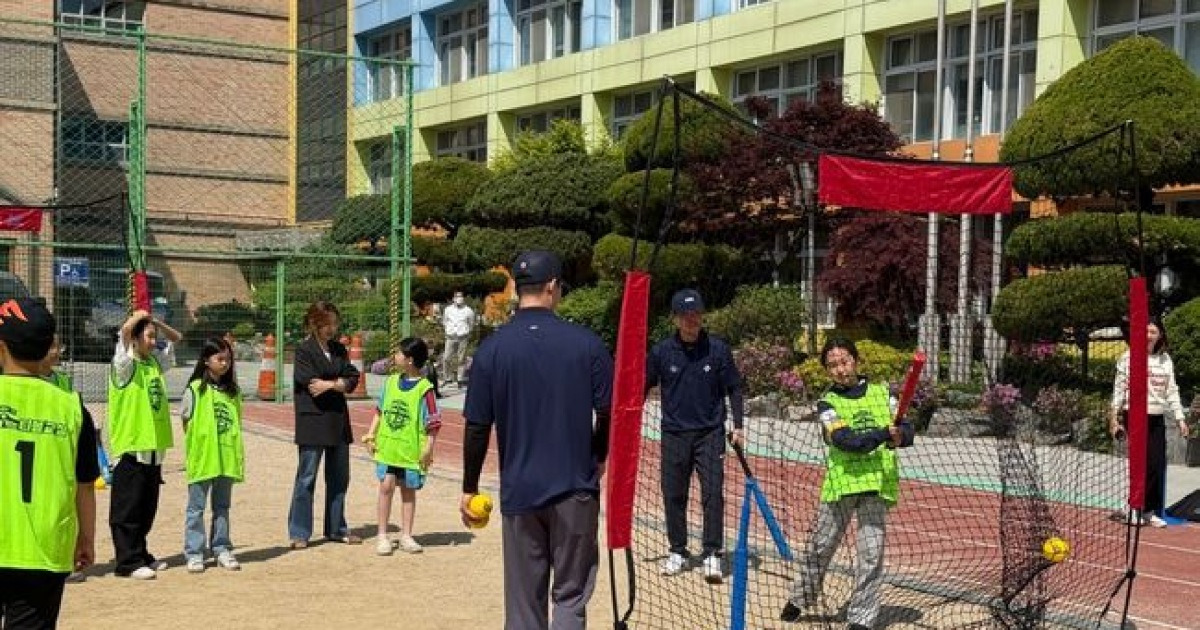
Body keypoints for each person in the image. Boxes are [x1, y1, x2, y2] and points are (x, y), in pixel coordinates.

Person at [461, 250, 613, 630]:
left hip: (520, 489)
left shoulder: (492, 349)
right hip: (575, 485)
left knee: (524, 603)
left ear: (515, 287)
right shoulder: (587, 344)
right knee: (570, 596)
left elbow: (477, 426)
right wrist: (599, 453)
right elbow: (609, 411)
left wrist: (469, 486)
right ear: (552, 287)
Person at [780, 337, 915, 629]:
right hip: (841, 486)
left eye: (844, 361)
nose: (840, 369)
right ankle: (801, 597)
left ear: (855, 360)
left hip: (876, 486)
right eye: (832, 365)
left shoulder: (883, 394)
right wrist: (883, 434)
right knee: (820, 547)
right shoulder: (827, 403)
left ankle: (861, 619)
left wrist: (900, 436)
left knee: (871, 556)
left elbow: (907, 430)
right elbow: (847, 441)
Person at [0, 298, 97, 629]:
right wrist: (86, 537)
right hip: (44, 548)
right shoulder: (71, 406)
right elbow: (85, 483)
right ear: (47, 347)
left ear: (2, 348)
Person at [645, 288, 744, 584]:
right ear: (675, 319)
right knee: (674, 494)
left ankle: (713, 554)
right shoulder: (661, 352)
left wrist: (738, 425)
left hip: (710, 433)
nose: (692, 321)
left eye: (696, 315)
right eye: (686, 316)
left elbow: (734, 388)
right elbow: (642, 385)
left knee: (713, 494)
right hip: (674, 434)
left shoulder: (718, 349)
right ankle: (678, 550)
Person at [108, 309, 182, 580]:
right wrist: (136, 318)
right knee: (127, 507)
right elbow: (124, 333)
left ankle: (140, 553)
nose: (153, 341)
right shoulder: (125, 365)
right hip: (132, 445)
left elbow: (178, 337)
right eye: (148, 337)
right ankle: (126, 561)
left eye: (154, 337)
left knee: (146, 506)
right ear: (135, 340)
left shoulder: (154, 363)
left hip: (154, 446)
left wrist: (157, 322)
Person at [288, 300, 362, 548]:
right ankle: (299, 532)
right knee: (306, 477)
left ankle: (336, 528)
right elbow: (308, 382)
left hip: (337, 421)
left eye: (334, 323)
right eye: (327, 324)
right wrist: (338, 382)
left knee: (339, 477)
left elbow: (352, 377)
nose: (332, 328)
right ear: (314, 324)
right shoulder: (304, 351)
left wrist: (331, 384)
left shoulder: (339, 350)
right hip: (312, 421)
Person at [363, 337, 442, 556]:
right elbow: (380, 411)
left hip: (410, 451)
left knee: (408, 491)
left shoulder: (425, 389)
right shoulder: (390, 382)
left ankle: (406, 534)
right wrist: (371, 434)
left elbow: (433, 421)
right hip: (388, 448)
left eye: (398, 353)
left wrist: (429, 447)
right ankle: (382, 535)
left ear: (409, 360)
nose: (394, 356)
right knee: (386, 487)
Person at [1110, 319, 1189, 528]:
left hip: (1156, 416)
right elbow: (1119, 389)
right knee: (1139, 464)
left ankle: (1148, 510)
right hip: (1133, 414)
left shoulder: (1165, 360)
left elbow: (1172, 390)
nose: (1149, 334)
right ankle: (1133, 508)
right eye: (1145, 330)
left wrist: (1180, 418)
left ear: (1160, 335)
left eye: (1153, 331)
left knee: (1155, 464)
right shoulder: (1128, 357)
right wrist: (1114, 417)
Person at [180, 337, 245, 573]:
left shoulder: (233, 392)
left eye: (228, 359)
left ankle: (221, 548)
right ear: (206, 361)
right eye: (220, 358)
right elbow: (185, 420)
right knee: (196, 508)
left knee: (222, 507)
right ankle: (194, 552)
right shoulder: (195, 389)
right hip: (203, 458)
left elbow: (237, 422)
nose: (225, 363)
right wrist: (200, 445)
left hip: (225, 459)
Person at [440, 290, 476, 389]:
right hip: (450, 337)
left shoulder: (468, 310)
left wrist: (467, 332)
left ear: (463, 298)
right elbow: (444, 321)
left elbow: (471, 323)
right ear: (453, 298)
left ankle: (460, 379)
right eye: (457, 296)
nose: (459, 298)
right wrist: (448, 330)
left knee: (461, 359)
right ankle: (447, 378)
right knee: (446, 358)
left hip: (462, 337)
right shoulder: (448, 309)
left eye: (461, 296)